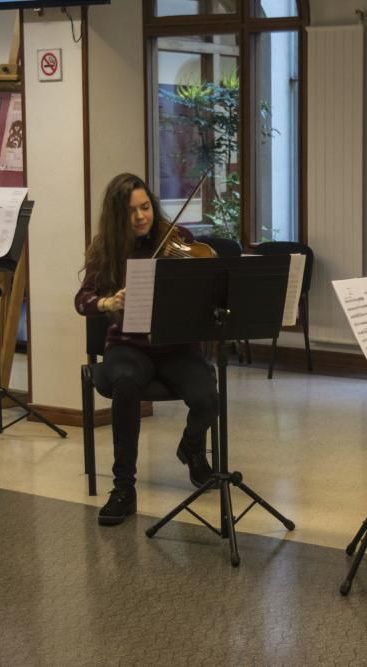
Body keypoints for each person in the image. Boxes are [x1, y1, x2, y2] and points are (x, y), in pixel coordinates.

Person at [75, 173, 218, 527]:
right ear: (116, 216)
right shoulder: (107, 249)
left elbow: (206, 282)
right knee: (125, 384)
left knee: (207, 396)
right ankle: (124, 488)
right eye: (131, 211)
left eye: (145, 208)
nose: (141, 217)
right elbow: (83, 299)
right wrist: (107, 302)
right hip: (128, 345)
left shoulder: (177, 239)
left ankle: (191, 448)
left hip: (175, 346)